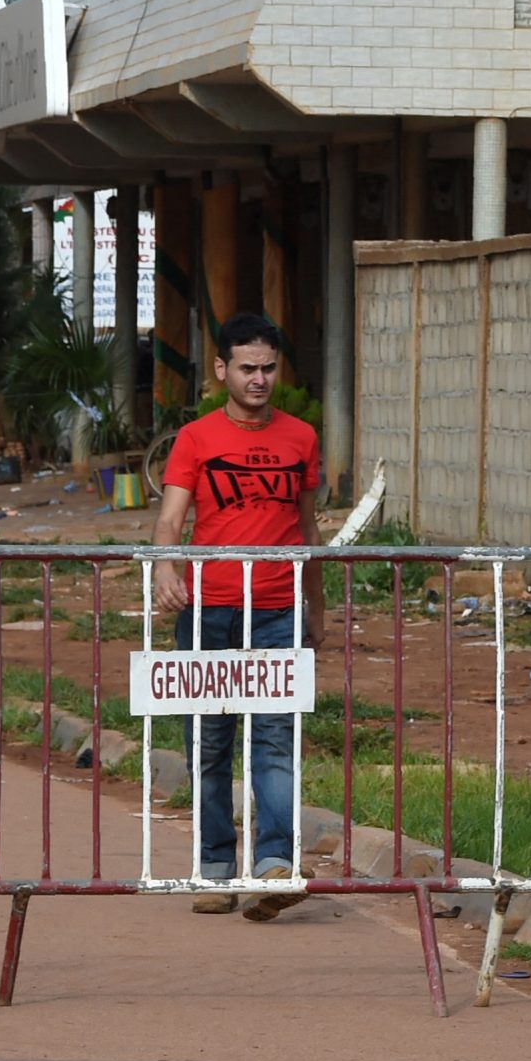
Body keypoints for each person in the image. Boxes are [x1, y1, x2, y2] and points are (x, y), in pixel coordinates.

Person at [151, 313, 324, 919]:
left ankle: (275, 865)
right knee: (208, 744)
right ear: (222, 369)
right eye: (248, 368)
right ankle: (215, 868)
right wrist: (165, 568)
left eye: (269, 368)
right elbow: (171, 519)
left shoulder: (301, 437)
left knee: (275, 740)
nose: (259, 379)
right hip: (206, 612)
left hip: (277, 610)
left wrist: (316, 605)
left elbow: (307, 528)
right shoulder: (196, 438)